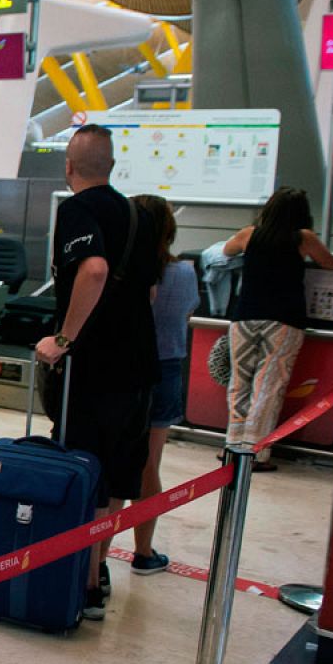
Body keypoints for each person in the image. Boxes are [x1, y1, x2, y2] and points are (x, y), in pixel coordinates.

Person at [33, 123, 161, 621]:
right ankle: (98, 566)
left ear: (69, 167)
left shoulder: (76, 210)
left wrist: (64, 339)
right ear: (111, 166)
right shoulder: (138, 215)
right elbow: (149, 290)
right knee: (117, 475)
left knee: (84, 467)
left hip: (95, 368)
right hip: (139, 364)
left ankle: (84, 586)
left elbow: (94, 269)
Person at [222, 187, 333, 470]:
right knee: (268, 386)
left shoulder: (249, 234)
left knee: (239, 382)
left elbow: (226, 250)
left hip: (245, 317)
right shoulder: (304, 238)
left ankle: (233, 447)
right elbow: (330, 265)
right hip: (284, 321)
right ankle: (255, 452)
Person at [127, 194, 198, 574]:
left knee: (116, 461)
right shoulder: (184, 272)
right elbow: (185, 314)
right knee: (150, 465)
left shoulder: (124, 271)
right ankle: (143, 551)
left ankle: (95, 557)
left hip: (126, 370)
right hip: (167, 368)